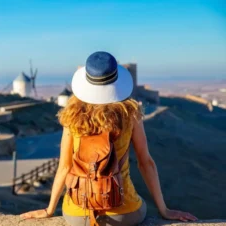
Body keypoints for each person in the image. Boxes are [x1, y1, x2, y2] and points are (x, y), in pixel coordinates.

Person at [20, 52, 197, 226]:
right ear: (116, 81)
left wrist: (49, 209)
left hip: (77, 214)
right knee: (140, 205)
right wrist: (164, 210)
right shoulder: (130, 114)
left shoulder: (71, 117)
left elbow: (65, 166)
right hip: (123, 214)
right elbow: (145, 162)